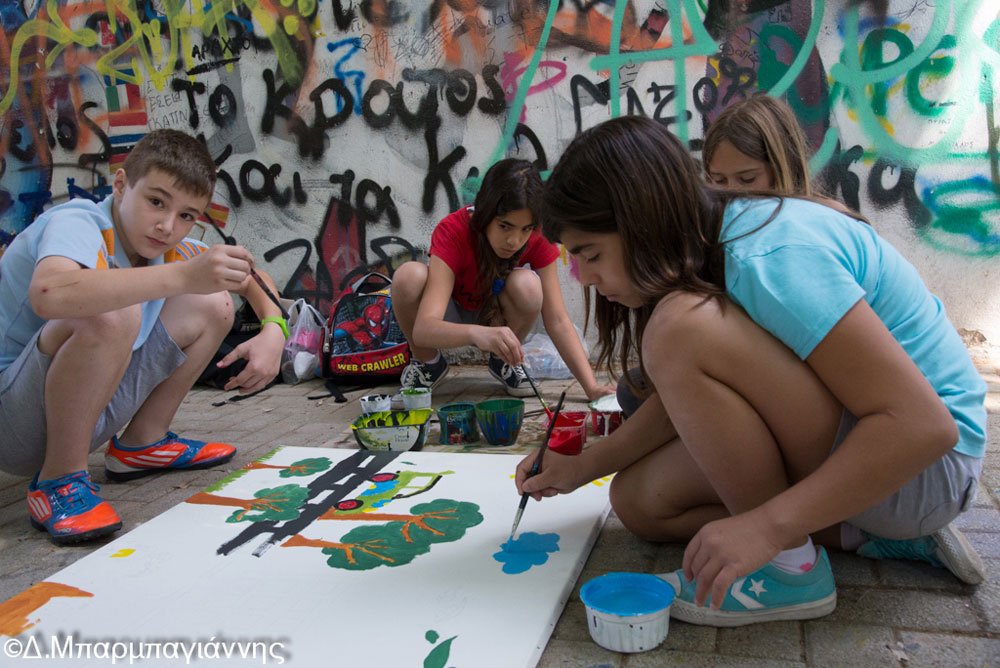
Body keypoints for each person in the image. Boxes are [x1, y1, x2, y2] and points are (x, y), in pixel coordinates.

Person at [516, 116, 986, 628]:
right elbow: (687, 402)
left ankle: (788, 569)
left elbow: (925, 426)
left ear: (641, 221)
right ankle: (879, 537)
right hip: (886, 461)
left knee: (676, 329)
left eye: (589, 254)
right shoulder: (716, 238)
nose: (582, 277)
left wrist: (766, 528)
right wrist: (583, 468)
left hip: (927, 467)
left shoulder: (768, 252)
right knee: (640, 503)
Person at [0, 129, 286, 544]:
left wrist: (273, 330)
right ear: (120, 185)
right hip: (13, 423)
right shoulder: (77, 221)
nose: (168, 226)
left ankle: (142, 444)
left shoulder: (165, 248)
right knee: (112, 306)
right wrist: (184, 275)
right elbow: (50, 293)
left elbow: (251, 279)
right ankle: (58, 480)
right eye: (156, 202)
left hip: (78, 411)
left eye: (187, 216)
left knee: (213, 303)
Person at [618, 95, 820, 418]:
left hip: (791, 390)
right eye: (717, 181)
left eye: (747, 179)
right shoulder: (722, 231)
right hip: (742, 368)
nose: (731, 193)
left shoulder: (792, 241)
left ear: (784, 167)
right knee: (635, 389)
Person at [391, 158, 612, 400]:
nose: (514, 241)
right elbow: (423, 329)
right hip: (452, 316)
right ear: (485, 213)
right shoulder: (454, 230)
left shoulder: (539, 236)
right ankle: (428, 365)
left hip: (497, 318)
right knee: (408, 276)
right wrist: (478, 334)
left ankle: (503, 360)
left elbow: (557, 319)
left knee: (528, 285)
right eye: (505, 226)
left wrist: (591, 387)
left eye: (525, 229)